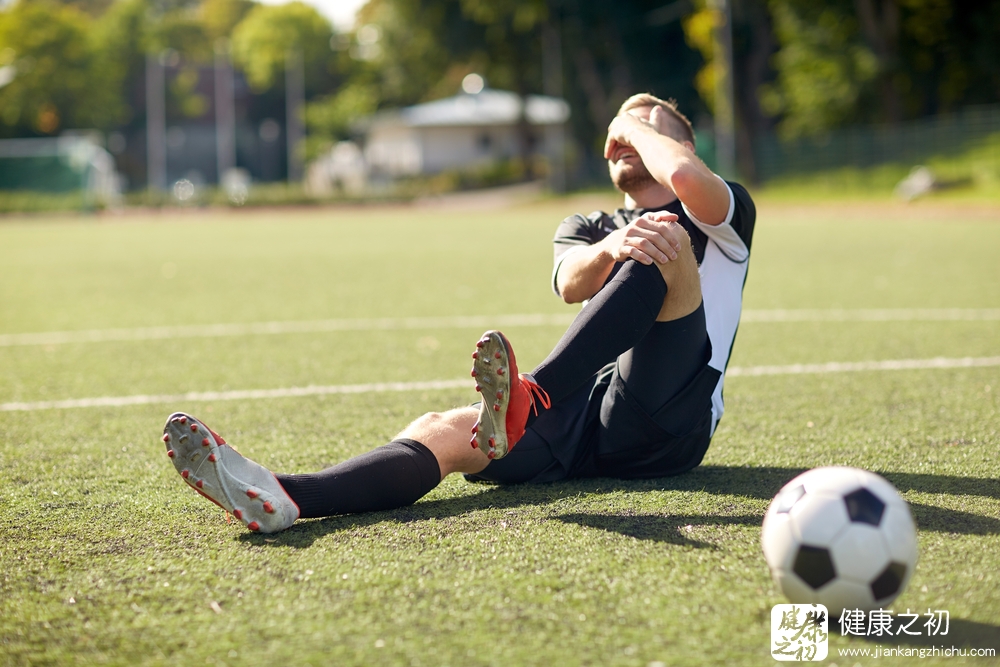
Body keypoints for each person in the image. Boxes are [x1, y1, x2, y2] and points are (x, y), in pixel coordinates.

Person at [161, 93, 756, 534]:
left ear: (684, 145)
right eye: (618, 134)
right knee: (444, 428)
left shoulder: (722, 213)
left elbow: (679, 174)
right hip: (585, 416)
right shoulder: (584, 226)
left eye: (646, 130)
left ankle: (531, 396)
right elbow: (572, 285)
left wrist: (632, 121)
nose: (626, 138)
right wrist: (611, 244)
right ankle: (285, 496)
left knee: (663, 238)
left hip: (670, 420)